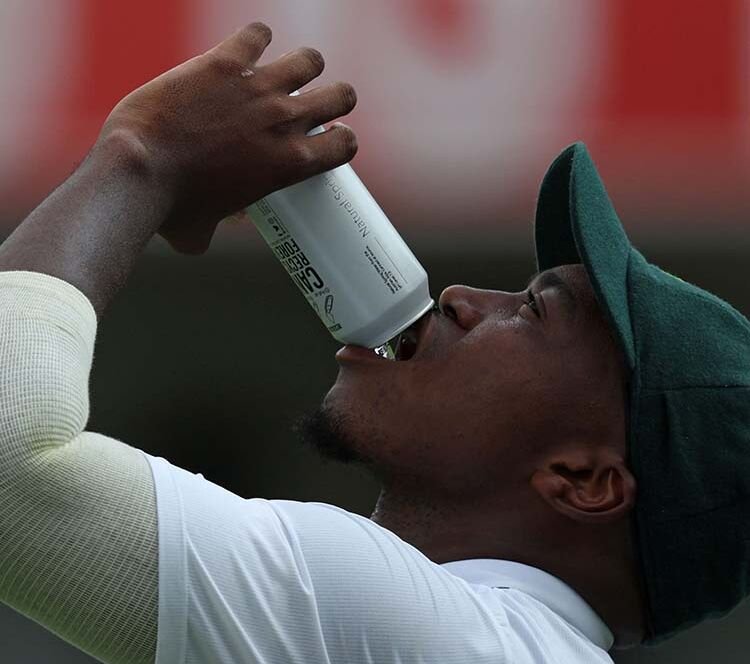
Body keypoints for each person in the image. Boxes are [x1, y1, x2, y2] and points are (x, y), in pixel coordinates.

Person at [1, 21, 748, 664]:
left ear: (584, 480)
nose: (462, 299)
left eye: (533, 311)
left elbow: (10, 461)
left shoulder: (432, 630)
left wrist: (142, 155)